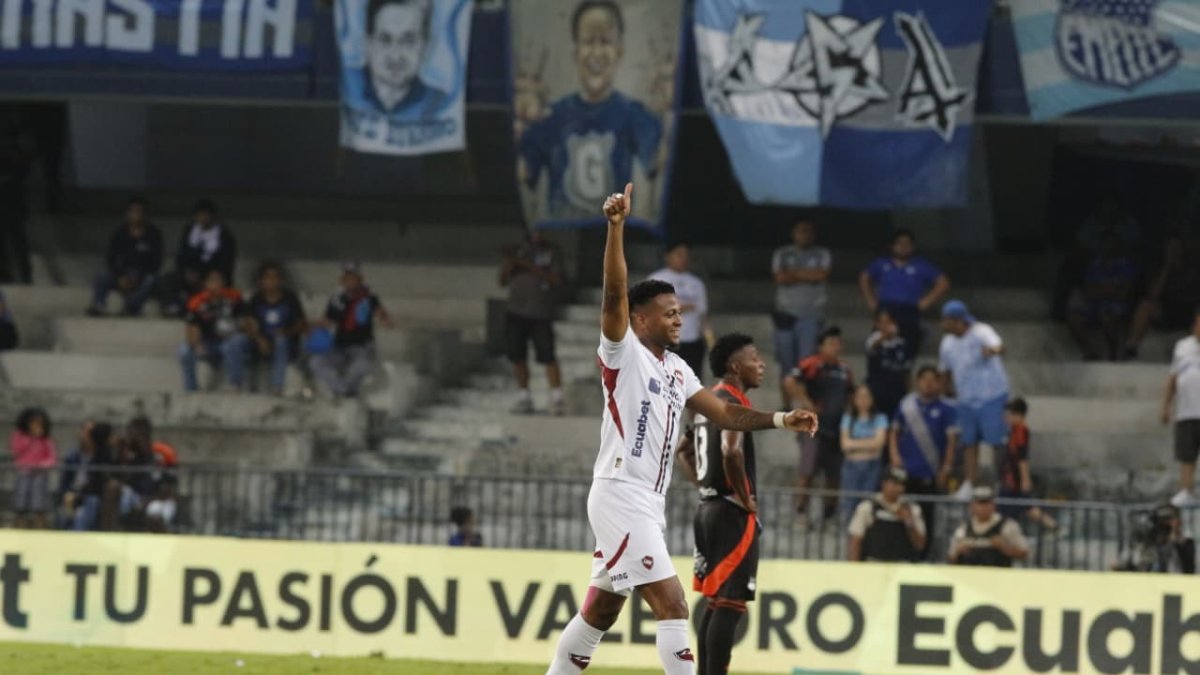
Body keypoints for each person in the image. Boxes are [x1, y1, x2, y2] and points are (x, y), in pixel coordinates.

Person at [543, 183, 817, 675]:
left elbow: (727, 415)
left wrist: (780, 418)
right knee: (673, 605)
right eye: (669, 314)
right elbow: (612, 294)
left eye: (680, 312)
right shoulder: (622, 352)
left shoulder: (676, 369)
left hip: (646, 499)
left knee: (600, 611)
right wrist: (616, 227)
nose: (678, 319)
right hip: (621, 492)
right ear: (639, 318)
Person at [517, 1, 667, 220]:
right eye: (588, 41)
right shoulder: (552, 117)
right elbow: (521, 173)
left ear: (619, 51)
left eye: (605, 41)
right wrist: (518, 125)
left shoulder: (631, 113)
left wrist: (668, 110)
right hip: (565, 236)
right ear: (575, 50)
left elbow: (661, 162)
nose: (597, 52)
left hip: (614, 236)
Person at [674, 333, 764, 675]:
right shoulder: (732, 402)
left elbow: (684, 452)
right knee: (730, 603)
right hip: (730, 513)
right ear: (735, 365)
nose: (762, 364)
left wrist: (705, 485)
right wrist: (744, 497)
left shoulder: (704, 401)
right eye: (755, 358)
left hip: (707, 509)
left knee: (716, 600)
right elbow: (731, 450)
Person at [938, 300, 1009, 496]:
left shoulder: (980, 331)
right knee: (969, 441)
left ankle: (997, 482)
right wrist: (944, 392)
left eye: (946, 320)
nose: (943, 324)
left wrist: (992, 351)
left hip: (991, 395)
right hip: (966, 398)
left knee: (996, 441)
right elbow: (945, 370)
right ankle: (970, 482)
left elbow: (999, 345)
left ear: (957, 321)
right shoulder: (947, 343)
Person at [784, 326, 852, 521]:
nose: (836, 347)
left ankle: (830, 513)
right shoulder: (812, 364)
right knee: (808, 470)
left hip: (837, 428)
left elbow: (850, 394)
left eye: (838, 343)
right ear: (820, 346)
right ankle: (800, 512)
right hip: (812, 428)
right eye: (831, 343)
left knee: (834, 474)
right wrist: (807, 404)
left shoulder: (844, 369)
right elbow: (790, 381)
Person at [890, 365, 959, 553]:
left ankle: (924, 554)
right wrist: (895, 456)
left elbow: (952, 440)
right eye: (924, 379)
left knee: (927, 517)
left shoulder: (947, 409)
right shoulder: (906, 405)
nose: (928, 384)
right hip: (907, 471)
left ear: (939, 383)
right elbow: (894, 432)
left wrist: (946, 468)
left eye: (933, 380)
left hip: (931, 472)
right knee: (902, 513)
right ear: (917, 382)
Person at [501, 229, 567, 415]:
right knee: (517, 355)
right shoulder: (519, 252)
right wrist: (510, 264)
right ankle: (524, 395)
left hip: (540, 312)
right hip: (515, 311)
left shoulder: (552, 253)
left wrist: (529, 266)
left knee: (547, 354)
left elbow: (556, 279)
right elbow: (502, 281)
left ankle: (557, 396)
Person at [859, 229, 950, 356]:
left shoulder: (921, 265)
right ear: (892, 246)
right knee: (878, 348)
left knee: (909, 348)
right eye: (899, 243)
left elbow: (943, 282)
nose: (903, 247)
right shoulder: (882, 263)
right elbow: (864, 277)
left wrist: (926, 302)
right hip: (886, 310)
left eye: (907, 244)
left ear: (912, 247)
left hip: (909, 310)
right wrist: (871, 301)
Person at [310, 262, 394, 398]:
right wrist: (312, 325)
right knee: (316, 362)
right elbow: (328, 320)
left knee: (362, 365)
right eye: (347, 278)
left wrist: (385, 319)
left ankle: (347, 391)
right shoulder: (336, 299)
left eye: (353, 278)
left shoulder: (368, 297)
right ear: (342, 280)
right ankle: (342, 390)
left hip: (361, 347)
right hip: (339, 347)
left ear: (360, 280)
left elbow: (380, 312)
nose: (350, 282)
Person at [771, 220, 832, 406]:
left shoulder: (822, 253)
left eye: (808, 231)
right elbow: (780, 277)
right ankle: (786, 405)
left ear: (813, 235)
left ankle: (807, 405)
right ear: (793, 233)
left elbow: (821, 275)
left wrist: (794, 274)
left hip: (811, 316)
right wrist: (807, 275)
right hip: (785, 315)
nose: (804, 235)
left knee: (808, 364)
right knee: (786, 364)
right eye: (800, 231)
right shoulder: (782, 253)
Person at [362, 0, 448, 118]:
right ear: (368, 45)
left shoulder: (441, 103)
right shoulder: (352, 90)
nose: (395, 55)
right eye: (385, 40)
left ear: (425, 46)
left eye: (408, 41)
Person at [1123, 233, 1200, 360]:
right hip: (1167, 312)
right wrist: (1167, 268)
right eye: (1170, 248)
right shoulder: (1159, 268)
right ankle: (1131, 347)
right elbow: (1153, 295)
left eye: (1176, 248)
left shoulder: (1191, 269)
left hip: (1189, 312)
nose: (1173, 251)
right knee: (1146, 306)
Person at [1065, 229, 1138, 361]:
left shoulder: (1125, 265)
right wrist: (1110, 289)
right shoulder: (1094, 264)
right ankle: (1090, 351)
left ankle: (1114, 355)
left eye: (1111, 243)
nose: (1107, 247)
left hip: (1116, 306)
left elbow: (1124, 292)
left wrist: (1104, 290)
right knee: (1074, 318)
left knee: (1107, 316)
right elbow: (1090, 290)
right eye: (1104, 244)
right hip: (1095, 304)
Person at [88, 196, 163, 317]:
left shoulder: (153, 234)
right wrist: (120, 276)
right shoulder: (119, 233)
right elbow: (110, 259)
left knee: (152, 280)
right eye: (132, 211)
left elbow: (156, 262)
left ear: (144, 214)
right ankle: (98, 304)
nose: (135, 215)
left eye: (138, 212)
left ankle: (132, 306)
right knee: (102, 277)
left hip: (143, 275)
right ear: (127, 213)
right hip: (122, 274)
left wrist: (138, 277)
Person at [179, 269, 251, 392]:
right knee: (184, 351)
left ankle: (235, 384)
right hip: (209, 343)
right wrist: (196, 344)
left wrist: (236, 327)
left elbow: (246, 320)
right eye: (212, 280)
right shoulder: (197, 301)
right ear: (205, 284)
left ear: (223, 282)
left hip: (230, 340)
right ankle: (191, 389)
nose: (215, 284)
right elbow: (191, 327)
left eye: (218, 280)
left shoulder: (234, 297)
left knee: (236, 342)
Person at [648, 243, 710, 380]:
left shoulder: (697, 283)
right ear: (667, 256)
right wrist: (682, 307)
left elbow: (702, 315)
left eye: (687, 256)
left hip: (692, 342)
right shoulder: (656, 280)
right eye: (679, 255)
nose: (683, 259)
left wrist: (709, 340)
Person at [165, 199, 237, 316]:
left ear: (213, 216)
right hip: (192, 275)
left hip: (213, 275)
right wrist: (187, 272)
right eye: (200, 215)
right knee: (168, 279)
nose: (203, 218)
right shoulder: (189, 231)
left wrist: (208, 279)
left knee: (215, 284)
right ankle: (176, 307)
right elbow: (181, 256)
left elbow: (226, 261)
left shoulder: (224, 234)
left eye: (206, 214)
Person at [245, 262, 307, 395]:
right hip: (261, 344)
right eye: (268, 277)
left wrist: (285, 332)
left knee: (281, 341)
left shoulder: (290, 298)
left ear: (281, 280)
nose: (272, 281)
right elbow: (248, 324)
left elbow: (301, 324)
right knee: (238, 342)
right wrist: (259, 339)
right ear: (261, 281)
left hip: (286, 345)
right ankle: (239, 386)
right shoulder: (256, 299)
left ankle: (277, 387)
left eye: (275, 277)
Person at [847, 466, 926, 562]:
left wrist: (908, 522)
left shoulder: (912, 509)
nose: (899, 489)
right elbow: (855, 541)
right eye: (895, 484)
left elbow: (920, 544)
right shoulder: (868, 507)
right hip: (873, 563)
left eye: (902, 485)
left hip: (902, 565)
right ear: (883, 483)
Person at [998, 398, 1056, 529]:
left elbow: (1021, 457)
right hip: (1010, 479)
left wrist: (1025, 479)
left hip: (1014, 481)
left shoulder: (1021, 431)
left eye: (1010, 414)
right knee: (1027, 508)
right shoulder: (1013, 431)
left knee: (1021, 508)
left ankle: (1053, 526)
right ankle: (1053, 526)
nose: (1006, 417)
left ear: (1018, 415)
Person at [1162, 309, 1200, 506]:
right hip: (1187, 411)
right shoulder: (1183, 347)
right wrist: (1166, 406)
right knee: (1187, 455)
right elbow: (1173, 378)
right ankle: (1186, 491)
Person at [839, 385, 888, 523]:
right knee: (850, 504)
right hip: (851, 467)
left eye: (867, 397)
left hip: (872, 466)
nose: (863, 400)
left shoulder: (880, 418)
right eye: (860, 397)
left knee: (868, 504)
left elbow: (879, 443)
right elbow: (845, 444)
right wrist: (868, 444)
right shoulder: (848, 418)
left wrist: (855, 444)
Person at [948, 485, 1029, 567]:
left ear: (993, 505)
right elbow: (951, 559)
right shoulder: (964, 528)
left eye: (987, 503)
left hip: (998, 576)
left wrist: (1005, 548)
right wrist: (958, 552)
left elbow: (1024, 553)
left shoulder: (1007, 526)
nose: (984, 507)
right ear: (972, 506)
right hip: (969, 576)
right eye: (980, 503)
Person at [1112, 503, 1196, 574]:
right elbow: (1128, 564)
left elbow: (1186, 570)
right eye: (1162, 520)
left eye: (1169, 519)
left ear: (1179, 522)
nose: (1165, 525)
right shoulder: (1146, 541)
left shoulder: (1186, 543)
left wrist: (1173, 539)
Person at [9, 407, 57, 529]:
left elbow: (51, 458)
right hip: (24, 471)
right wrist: (31, 438)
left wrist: (42, 465)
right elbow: (17, 451)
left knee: (39, 502)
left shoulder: (46, 439)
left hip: (40, 473)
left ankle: (40, 526)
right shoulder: (19, 436)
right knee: (20, 501)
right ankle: (19, 525)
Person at [865, 308, 912, 419]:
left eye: (888, 322)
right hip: (877, 389)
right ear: (876, 324)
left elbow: (907, 370)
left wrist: (908, 392)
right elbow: (870, 349)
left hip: (897, 390)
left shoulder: (901, 344)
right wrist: (885, 336)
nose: (885, 326)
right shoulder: (873, 340)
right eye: (882, 322)